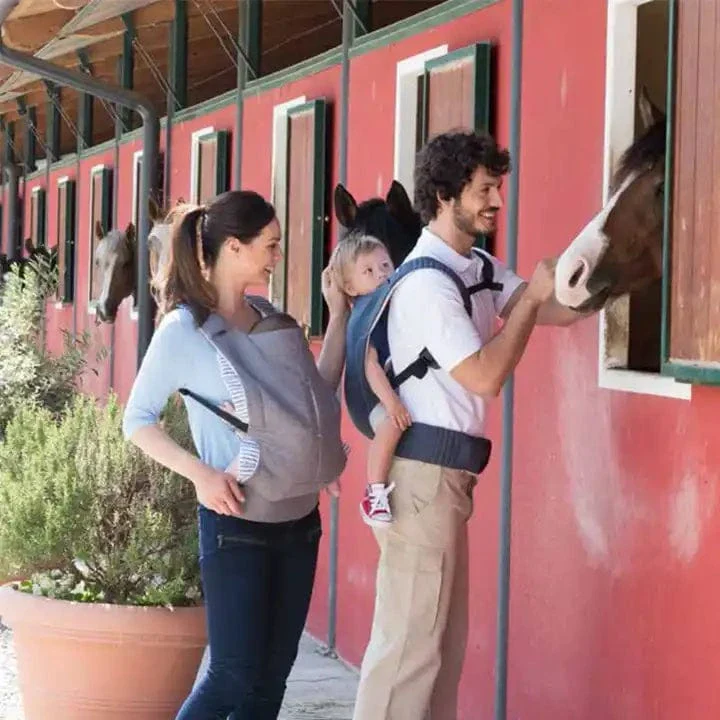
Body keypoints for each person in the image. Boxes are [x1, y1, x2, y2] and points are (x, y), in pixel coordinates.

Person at [351, 130, 586, 720]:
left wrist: (613, 263)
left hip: (446, 481)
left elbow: (555, 309)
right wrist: (530, 301)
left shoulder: (475, 265)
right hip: (422, 479)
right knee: (408, 656)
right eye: (484, 190)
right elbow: (484, 376)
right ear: (444, 195)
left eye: (497, 188)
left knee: (439, 653)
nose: (496, 202)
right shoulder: (427, 283)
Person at [122, 190, 350, 720]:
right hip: (236, 523)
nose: (278, 256)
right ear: (233, 247)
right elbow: (137, 420)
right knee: (232, 675)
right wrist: (200, 475)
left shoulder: (271, 318)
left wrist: (339, 315)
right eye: (270, 245)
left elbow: (314, 399)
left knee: (270, 681)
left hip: (299, 521)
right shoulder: (184, 330)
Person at [327, 232, 411, 527]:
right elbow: (370, 365)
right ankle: (374, 493)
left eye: (386, 266)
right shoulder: (368, 314)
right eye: (369, 271)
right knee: (391, 423)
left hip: (385, 390)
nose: (381, 274)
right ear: (350, 287)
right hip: (371, 398)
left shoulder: (386, 306)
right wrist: (392, 404)